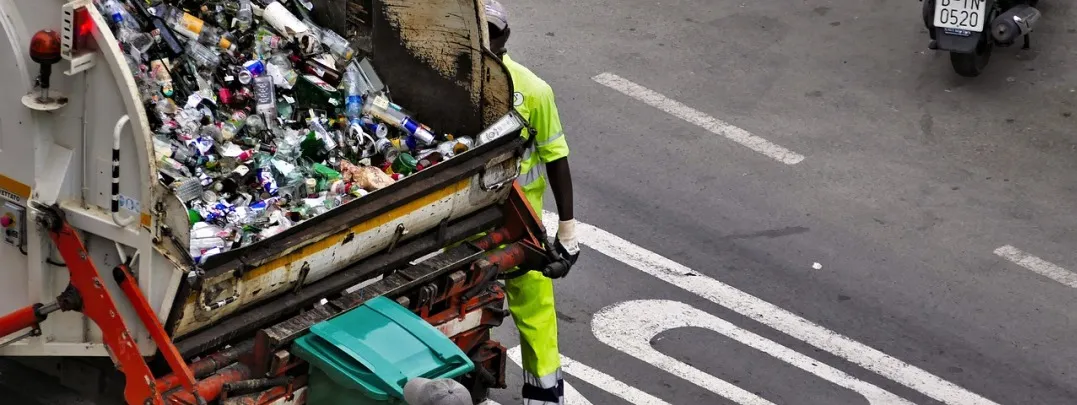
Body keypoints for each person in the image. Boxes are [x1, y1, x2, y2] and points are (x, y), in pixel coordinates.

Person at [485, 1, 579, 404]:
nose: (488, 40)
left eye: (494, 31)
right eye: (480, 31)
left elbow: (557, 160)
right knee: (463, 306)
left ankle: (544, 395)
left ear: (505, 36)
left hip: (520, 225)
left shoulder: (534, 91)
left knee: (536, 315)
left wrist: (568, 231)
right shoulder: (456, 82)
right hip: (467, 223)